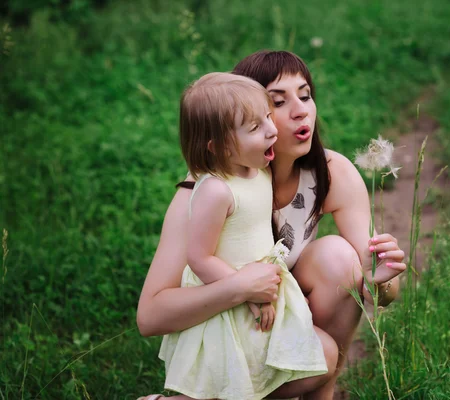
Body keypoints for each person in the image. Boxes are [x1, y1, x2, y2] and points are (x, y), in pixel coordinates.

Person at [137, 51, 406, 400]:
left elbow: (377, 290)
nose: (300, 110)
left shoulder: (330, 173)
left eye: (305, 95)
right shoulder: (208, 190)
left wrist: (382, 280)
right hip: (220, 331)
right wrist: (239, 288)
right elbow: (151, 317)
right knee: (321, 352)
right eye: (277, 102)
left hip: (273, 312)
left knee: (338, 258)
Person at [149, 72, 330, 400]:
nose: (272, 130)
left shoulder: (257, 171)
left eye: (267, 118)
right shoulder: (215, 190)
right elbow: (200, 257)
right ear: (219, 147)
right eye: (256, 128)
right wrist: (248, 292)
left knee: (304, 362)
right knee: (226, 381)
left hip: (258, 293)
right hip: (227, 305)